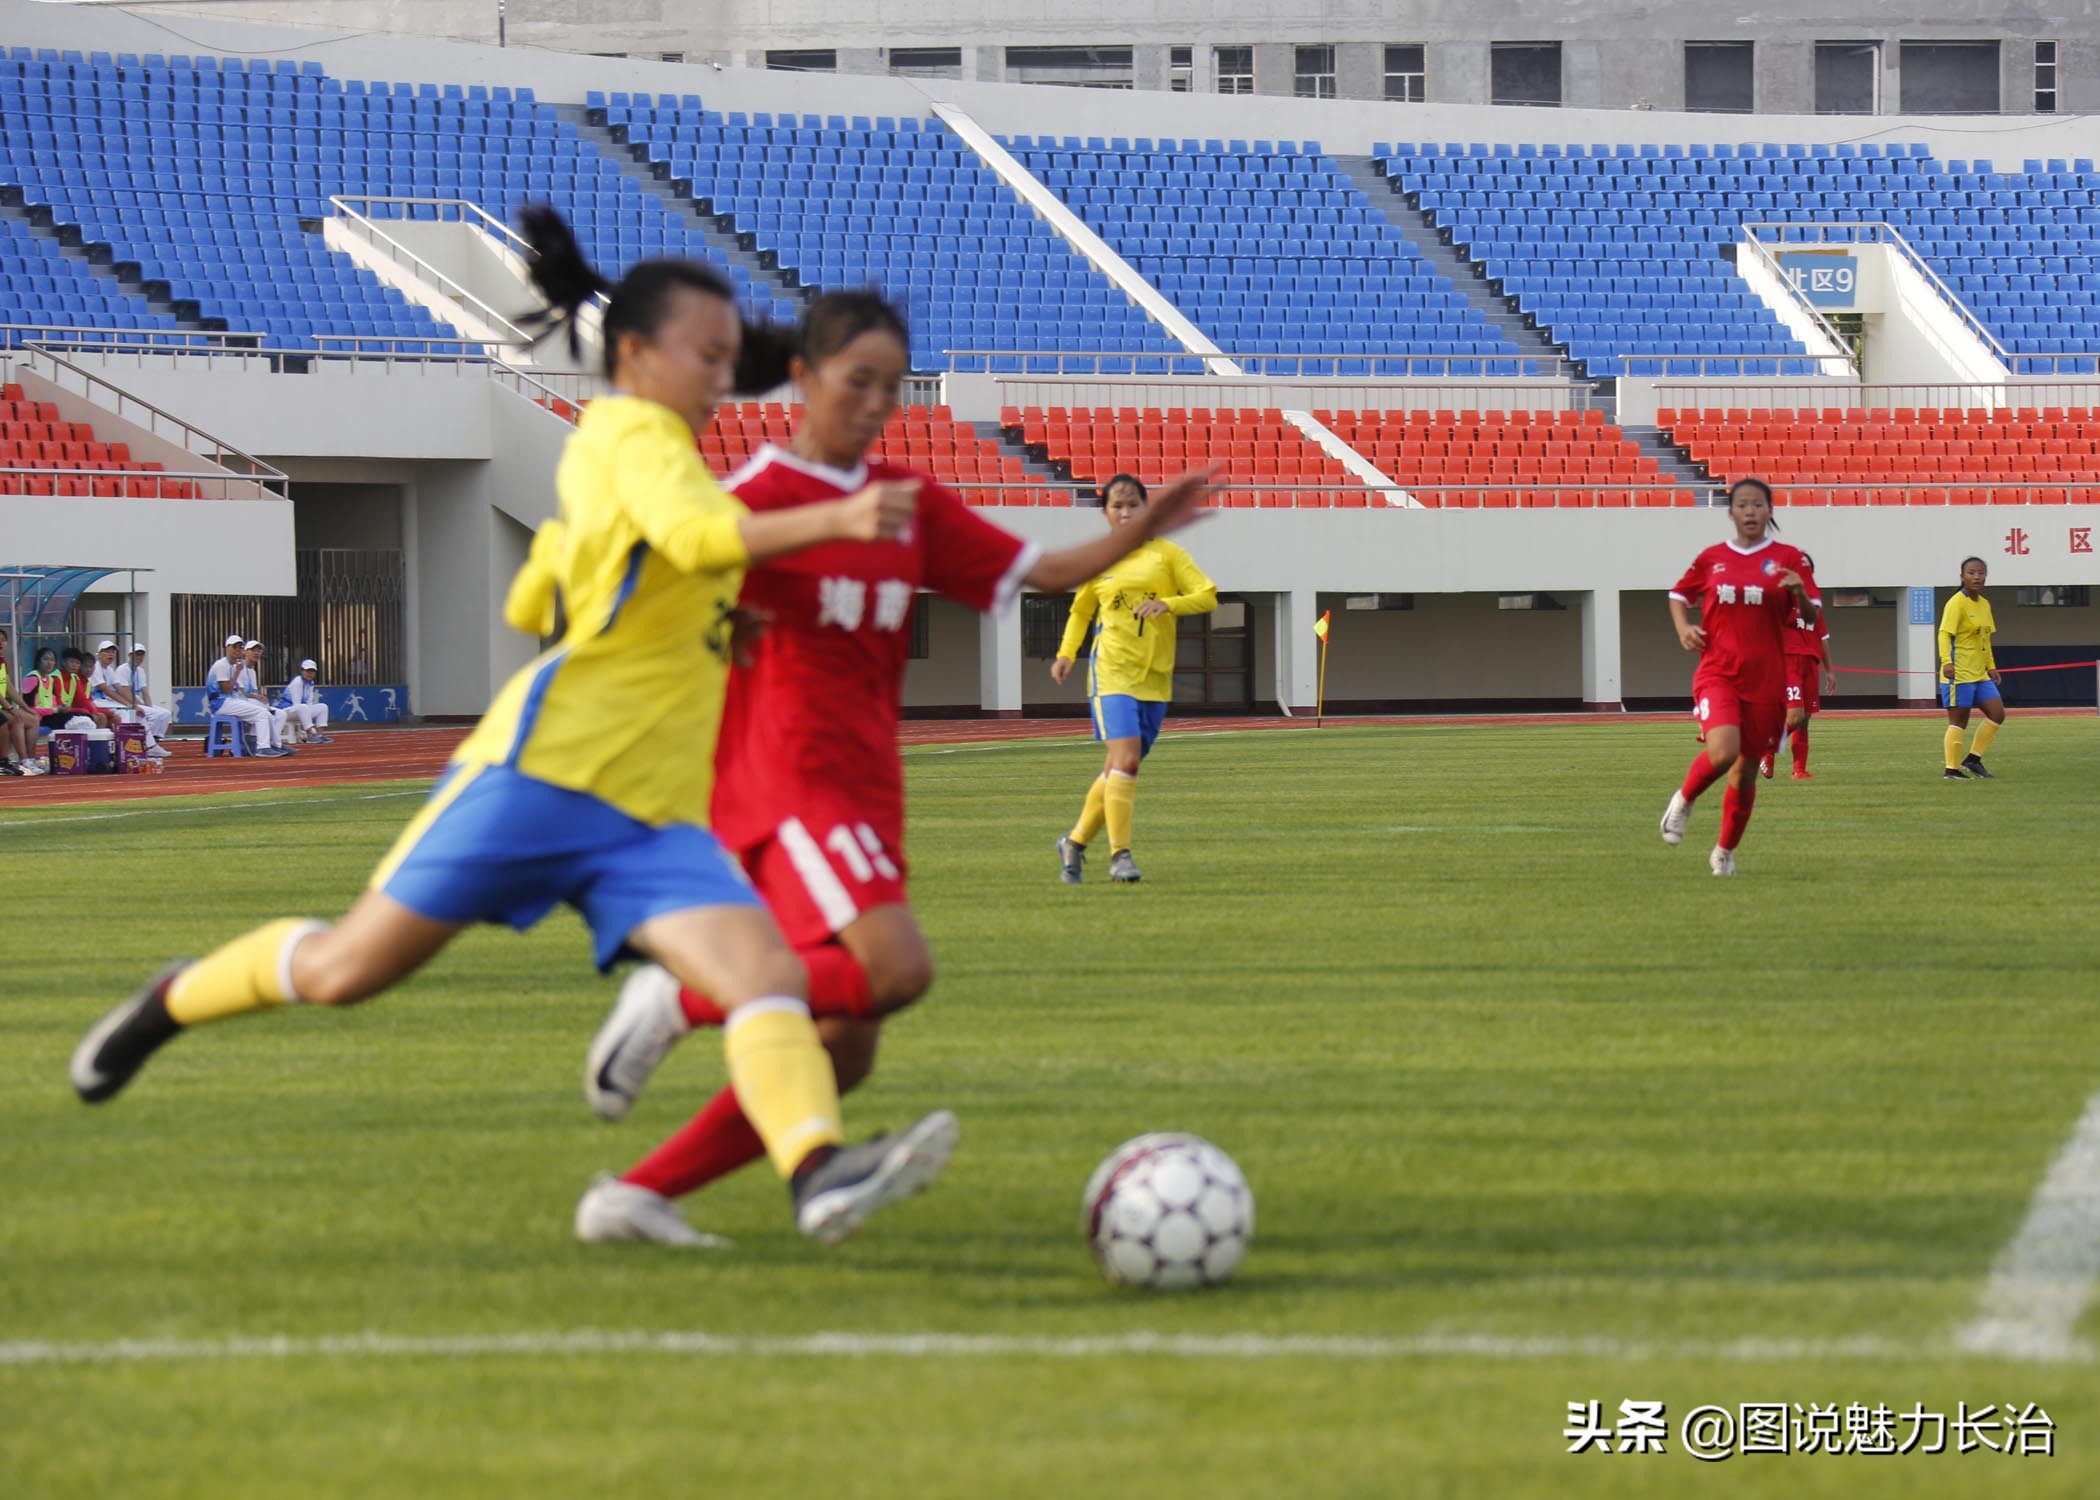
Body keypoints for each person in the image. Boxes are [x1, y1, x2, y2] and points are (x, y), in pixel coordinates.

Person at [71, 206, 955, 1248]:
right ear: (634, 353)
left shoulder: (672, 451)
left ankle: (815, 1170)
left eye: (730, 356)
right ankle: (174, 998)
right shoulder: (628, 437)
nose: (723, 376)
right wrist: (834, 518)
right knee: (345, 973)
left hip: (651, 816)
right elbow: (692, 532)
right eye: (706, 354)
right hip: (541, 777)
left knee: (764, 976)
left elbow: (683, 559)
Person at [570, 290, 1214, 1246]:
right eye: (855, 380)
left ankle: (636, 1196)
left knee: (851, 1044)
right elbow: (640, 600)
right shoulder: (755, 505)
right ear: (802, 378)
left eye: (893, 387)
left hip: (864, 789)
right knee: (896, 967)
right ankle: (682, 995)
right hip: (783, 782)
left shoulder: (908, 503)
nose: (875, 403)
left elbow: (1041, 573)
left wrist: (1137, 532)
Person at [1049, 473, 1218, 885]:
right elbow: (1081, 611)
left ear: (1147, 509)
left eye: (1133, 505)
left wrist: (1168, 603)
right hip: (1111, 674)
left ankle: (1073, 842)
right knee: (1125, 761)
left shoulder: (1168, 555)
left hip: (1156, 677)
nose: (1125, 513)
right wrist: (1067, 653)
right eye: (1117, 506)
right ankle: (1120, 855)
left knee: (1118, 769)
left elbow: (1208, 595)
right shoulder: (1099, 560)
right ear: (1106, 513)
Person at [1658, 477, 1820, 876]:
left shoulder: (1790, 558)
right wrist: (1683, 628)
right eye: (1742, 505)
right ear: (1731, 512)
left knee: (1746, 770)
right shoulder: (1712, 557)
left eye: (1758, 505)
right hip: (1718, 671)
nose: (1750, 511)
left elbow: (1812, 616)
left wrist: (1799, 593)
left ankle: (1724, 851)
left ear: (1770, 511)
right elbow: (1679, 596)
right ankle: (1683, 799)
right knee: (1724, 751)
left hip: (1767, 678)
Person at [1760, 550, 1834, 781]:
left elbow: (1822, 637)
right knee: (1794, 716)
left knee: (1805, 719)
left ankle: (1799, 770)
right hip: (1787, 660)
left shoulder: (1813, 602)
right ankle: (1767, 749)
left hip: (1809, 663)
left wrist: (1830, 671)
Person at [1939, 556, 2004, 780]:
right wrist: (1947, 661)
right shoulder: (1956, 602)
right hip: (1959, 673)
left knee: (1997, 714)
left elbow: (1985, 639)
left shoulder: (1985, 604)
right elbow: (1944, 634)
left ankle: (1973, 760)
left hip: (1980, 673)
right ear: (1962, 577)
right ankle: (1951, 770)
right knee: (1959, 721)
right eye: (1971, 573)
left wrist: (1991, 666)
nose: (1976, 577)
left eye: (1981, 573)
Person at [205, 633, 288, 757]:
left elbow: (236, 690)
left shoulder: (233, 665)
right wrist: (237, 673)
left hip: (229, 701)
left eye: (240, 647)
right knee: (261, 713)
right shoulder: (222, 665)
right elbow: (227, 690)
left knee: (264, 712)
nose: (237, 650)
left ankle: (265, 744)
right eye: (235, 647)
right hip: (220, 703)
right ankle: (262, 747)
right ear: (227, 647)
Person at [90, 640, 172, 759]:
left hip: (108, 701)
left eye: (113, 652)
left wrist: (132, 705)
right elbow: (107, 690)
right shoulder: (96, 668)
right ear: (99, 654)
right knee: (128, 714)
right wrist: (129, 705)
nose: (111, 654)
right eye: (107, 652)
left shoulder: (110, 670)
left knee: (138, 713)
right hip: (97, 701)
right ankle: (128, 747)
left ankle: (149, 745)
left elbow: (118, 687)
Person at [26, 646, 109, 734]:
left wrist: (94, 712)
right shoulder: (52, 677)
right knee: (85, 722)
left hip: (57, 713)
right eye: (71, 661)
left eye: (77, 663)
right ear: (63, 661)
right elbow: (56, 704)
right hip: (49, 715)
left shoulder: (72, 678)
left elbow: (82, 699)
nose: (74, 665)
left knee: (98, 717)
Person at [0, 627, 46, 775]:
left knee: (33, 719)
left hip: (3, 708)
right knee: (16, 719)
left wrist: (26, 707)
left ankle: (30, 760)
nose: (1, 643)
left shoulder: (2, 661)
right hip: (3, 709)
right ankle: (21, 761)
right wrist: (10, 708)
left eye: (3, 640)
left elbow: (9, 688)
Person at [281, 658, 334, 744]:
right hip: (286, 710)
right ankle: (310, 735)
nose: (310, 673)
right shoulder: (297, 682)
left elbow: (309, 702)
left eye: (312, 671)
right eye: (307, 671)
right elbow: (297, 704)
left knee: (323, 707)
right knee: (302, 707)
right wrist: (310, 727)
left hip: (301, 710)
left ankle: (319, 735)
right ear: (302, 671)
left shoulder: (311, 683)